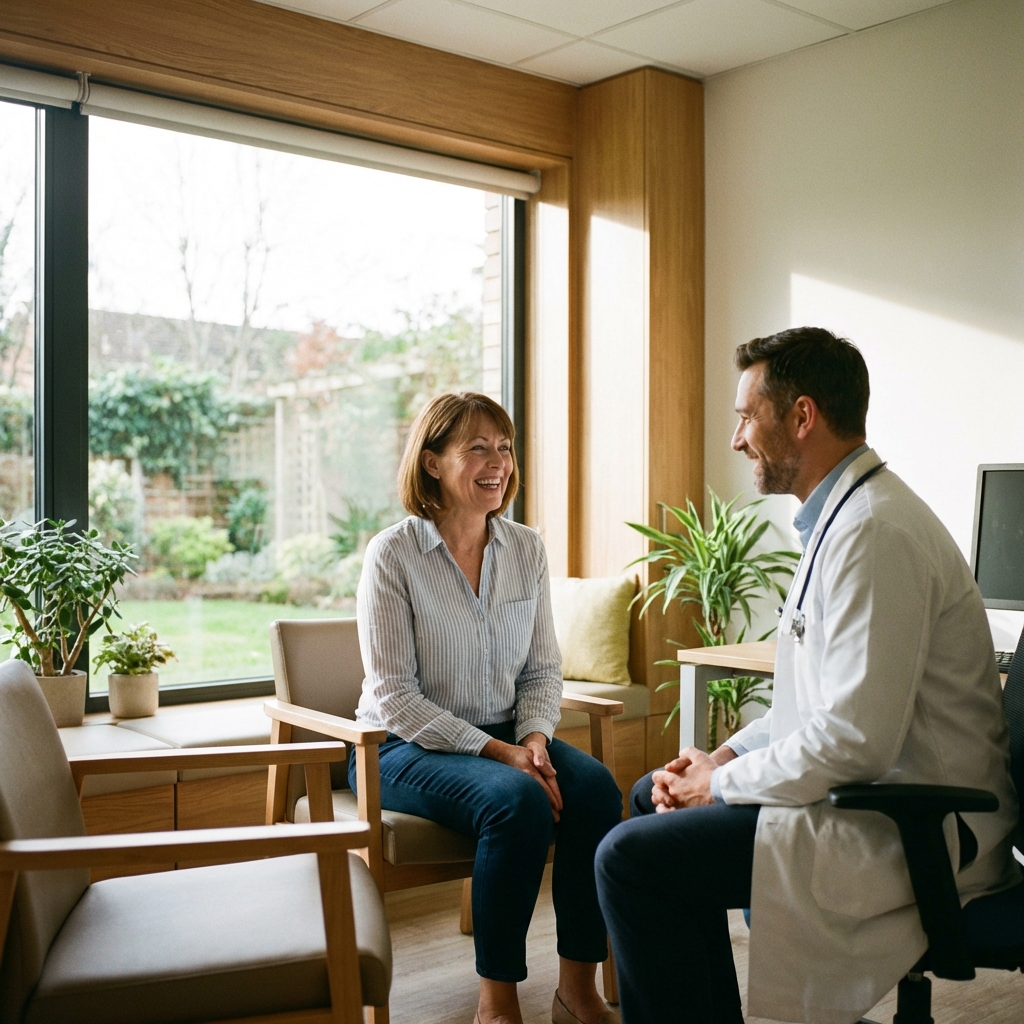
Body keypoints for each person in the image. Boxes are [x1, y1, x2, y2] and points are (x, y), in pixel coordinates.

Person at [594, 327, 1021, 1024]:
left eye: (745, 416)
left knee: (629, 861)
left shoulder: (876, 532)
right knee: (650, 796)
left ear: (802, 416)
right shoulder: (841, 520)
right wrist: (724, 756)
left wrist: (719, 784)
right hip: (872, 796)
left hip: (918, 825)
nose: (736, 439)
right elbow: (812, 707)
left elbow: (856, 740)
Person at [353, 391, 623, 1024]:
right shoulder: (392, 555)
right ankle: (496, 1004)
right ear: (431, 463)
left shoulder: (525, 549)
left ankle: (576, 991)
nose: (497, 462)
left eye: (504, 448)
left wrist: (532, 738)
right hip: (399, 747)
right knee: (516, 799)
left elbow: (541, 668)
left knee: (596, 791)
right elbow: (394, 696)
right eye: (476, 448)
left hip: (508, 735)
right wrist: (504, 755)